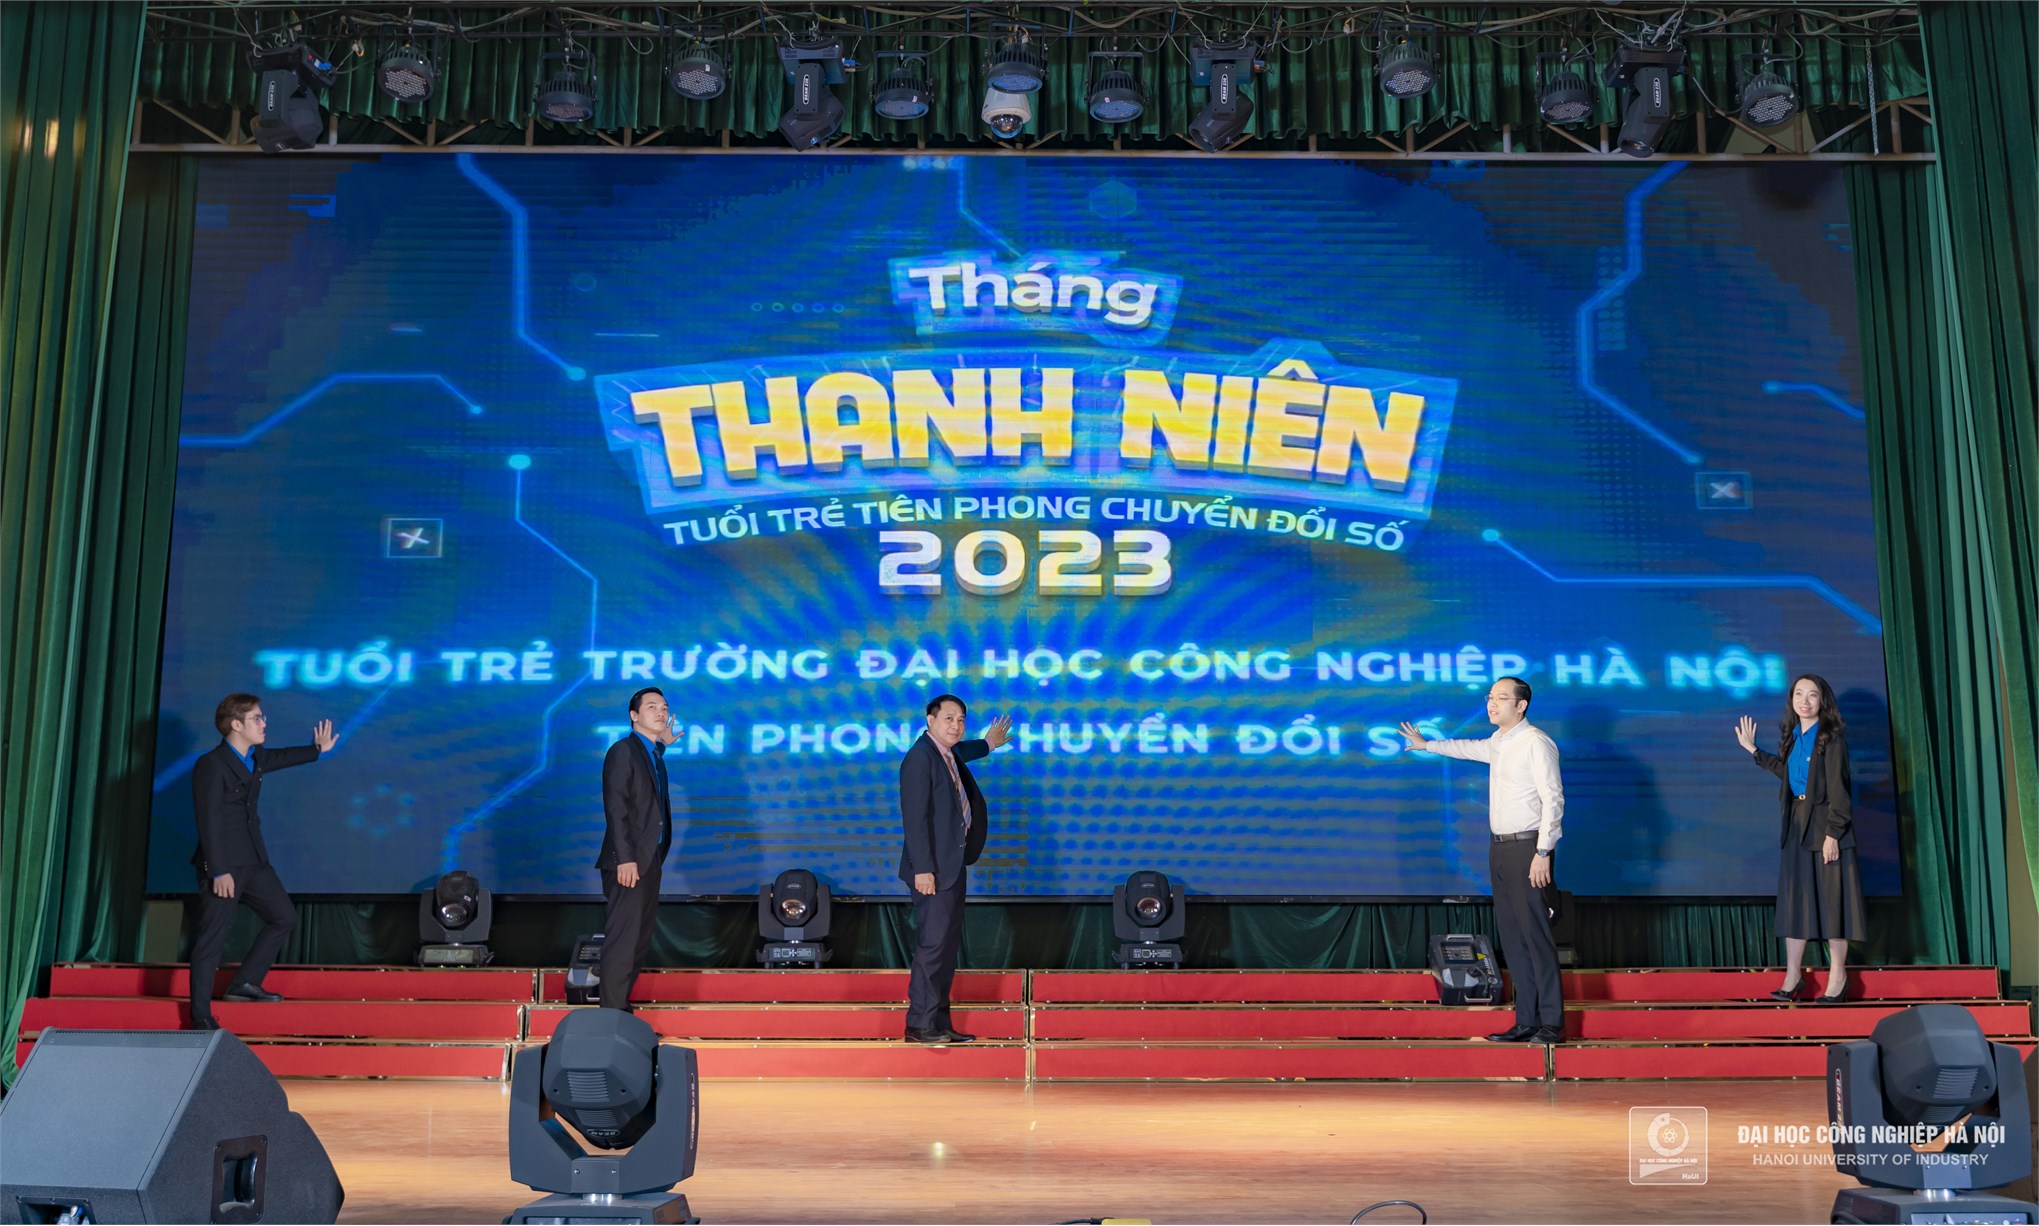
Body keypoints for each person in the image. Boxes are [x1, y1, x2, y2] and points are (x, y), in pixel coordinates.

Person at [1400, 677, 1566, 1044]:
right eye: (1490, 697)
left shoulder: (1536, 742)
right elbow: (1466, 747)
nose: (1492, 704)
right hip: (1500, 849)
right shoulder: (1498, 742)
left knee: (1536, 937)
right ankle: (1526, 1021)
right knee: (1513, 937)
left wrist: (1543, 852)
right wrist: (1427, 745)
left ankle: (1552, 1024)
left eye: (1501, 698)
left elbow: (1553, 799)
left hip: (1528, 848)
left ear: (1521, 705)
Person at [188, 693, 336, 1030]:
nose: (264, 723)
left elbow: (281, 757)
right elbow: (208, 820)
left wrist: (316, 750)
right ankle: (200, 1016)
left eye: (262, 717)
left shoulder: (255, 758)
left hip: (254, 860)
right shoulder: (211, 764)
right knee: (212, 937)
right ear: (236, 725)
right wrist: (218, 870)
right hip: (224, 865)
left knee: (283, 917)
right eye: (257, 718)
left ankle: (244, 983)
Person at [1735, 673, 1867, 1003]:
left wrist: (1833, 834)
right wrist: (1754, 751)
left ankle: (1838, 978)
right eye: (1798, 694)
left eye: (1812, 695)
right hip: (1797, 826)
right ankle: (1793, 977)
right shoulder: (1794, 737)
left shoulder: (1832, 740)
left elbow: (1840, 793)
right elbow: (1789, 775)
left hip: (1826, 829)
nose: (1804, 701)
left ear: (1823, 701)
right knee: (1795, 903)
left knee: (1833, 903)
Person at [898, 695, 1011, 1044]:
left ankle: (939, 1023)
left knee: (946, 949)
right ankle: (919, 1025)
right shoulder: (920, 758)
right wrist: (923, 869)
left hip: (952, 865)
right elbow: (915, 819)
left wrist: (989, 743)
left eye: (961, 719)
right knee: (933, 946)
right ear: (930, 720)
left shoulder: (947, 753)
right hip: (931, 871)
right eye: (948, 718)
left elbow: (964, 749)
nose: (956, 725)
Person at [596, 686, 678, 1011]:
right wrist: (625, 858)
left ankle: (620, 1011)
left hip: (649, 859)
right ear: (634, 715)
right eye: (652, 707)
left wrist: (662, 746)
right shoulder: (622, 751)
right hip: (628, 862)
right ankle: (610, 1018)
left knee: (639, 942)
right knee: (623, 942)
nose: (661, 712)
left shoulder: (651, 754)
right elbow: (615, 808)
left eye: (664, 707)